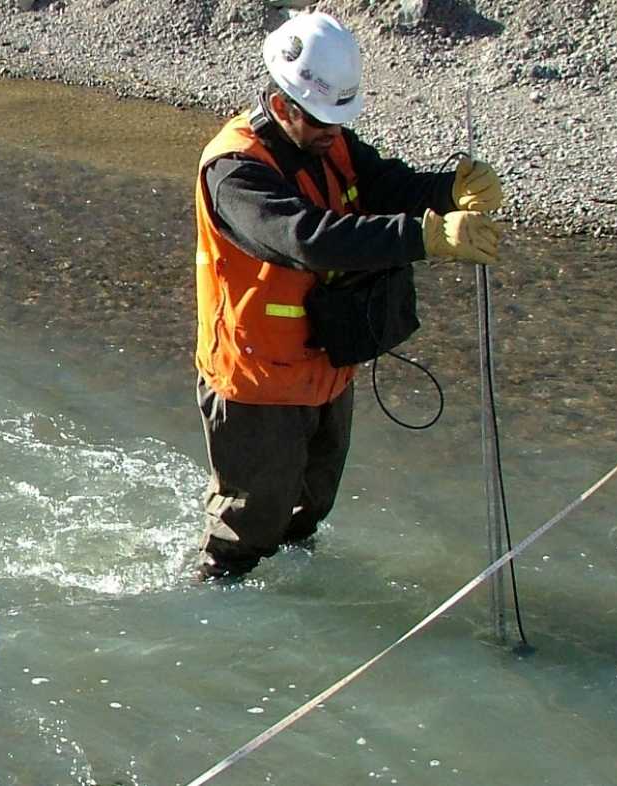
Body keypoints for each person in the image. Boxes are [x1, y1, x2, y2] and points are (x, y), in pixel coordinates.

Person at [192, 12, 505, 579]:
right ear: (283, 104)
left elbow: (386, 184)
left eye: (339, 121)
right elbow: (305, 239)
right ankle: (216, 609)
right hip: (257, 384)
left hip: (323, 368)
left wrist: (447, 190)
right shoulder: (235, 171)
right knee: (246, 531)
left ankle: (298, 602)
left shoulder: (326, 141)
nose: (333, 134)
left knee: (309, 510)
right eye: (321, 121)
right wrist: (426, 237)